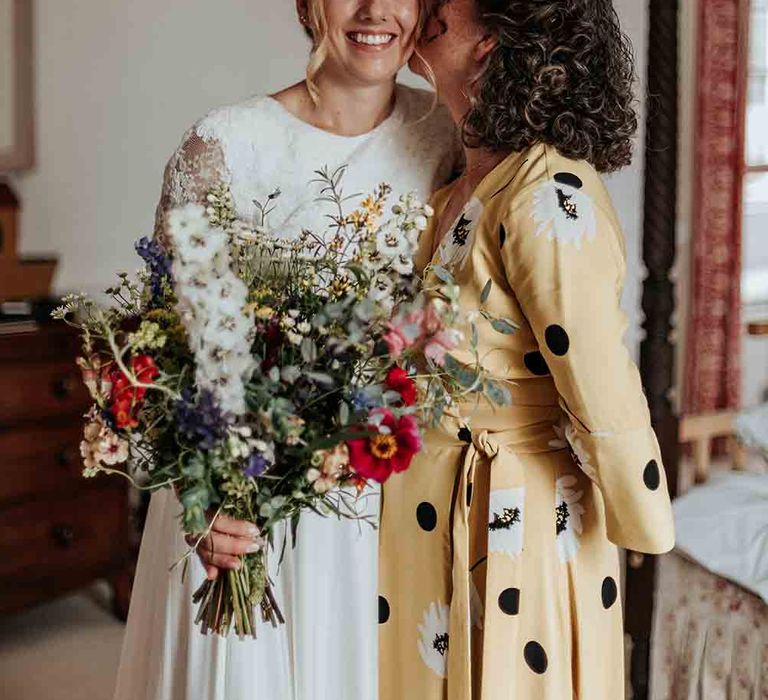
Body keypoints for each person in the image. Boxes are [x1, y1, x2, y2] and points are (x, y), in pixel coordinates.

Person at [112, 2, 459, 699]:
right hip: (241, 499)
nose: (375, 12)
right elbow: (168, 355)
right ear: (307, 6)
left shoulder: (449, 136)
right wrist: (207, 496)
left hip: (379, 502)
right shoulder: (224, 145)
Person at [377, 1, 676, 698]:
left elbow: (601, 385)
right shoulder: (464, 187)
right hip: (435, 508)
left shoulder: (550, 193)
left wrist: (645, 522)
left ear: (490, 40)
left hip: (518, 523)